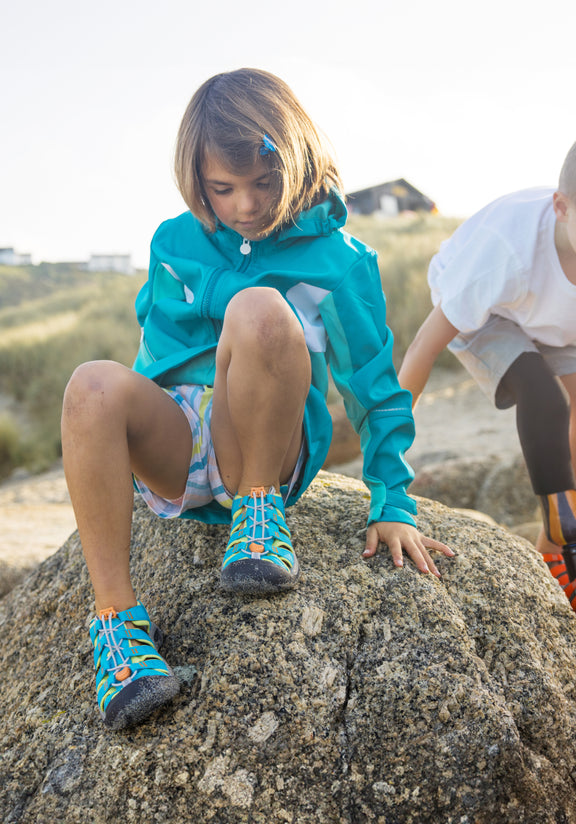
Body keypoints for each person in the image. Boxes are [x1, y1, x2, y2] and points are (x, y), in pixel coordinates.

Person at [61, 68, 453, 731]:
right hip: (183, 443)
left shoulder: (340, 260)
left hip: (268, 447)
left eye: (263, 183)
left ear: (296, 162)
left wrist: (392, 499)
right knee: (89, 384)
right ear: (196, 180)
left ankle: (257, 512)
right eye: (223, 188)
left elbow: (374, 389)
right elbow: (152, 356)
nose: (245, 204)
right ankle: (117, 632)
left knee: (261, 307)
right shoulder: (172, 243)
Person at [399, 122, 576, 641]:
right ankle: (573, 558)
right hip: (490, 312)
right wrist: (386, 442)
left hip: (556, 320)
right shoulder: (503, 252)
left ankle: (552, 558)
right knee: (544, 396)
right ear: (563, 206)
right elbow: (424, 346)